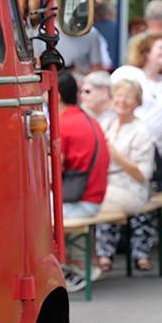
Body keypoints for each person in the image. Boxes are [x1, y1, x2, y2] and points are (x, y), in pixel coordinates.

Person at [94, 79, 159, 272]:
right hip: (107, 183)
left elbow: (142, 176)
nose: (122, 101)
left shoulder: (142, 131)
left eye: (128, 97)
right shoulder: (106, 124)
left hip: (131, 186)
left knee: (98, 199)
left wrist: (116, 155)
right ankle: (102, 253)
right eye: (119, 95)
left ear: (137, 103)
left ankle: (101, 254)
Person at [111, 32, 162, 176]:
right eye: (161, 48)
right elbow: (111, 101)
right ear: (146, 51)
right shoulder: (128, 73)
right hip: (126, 143)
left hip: (153, 149)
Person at [57, 71, 110, 220]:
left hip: (80, 203)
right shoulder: (88, 118)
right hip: (94, 199)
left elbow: (51, 170)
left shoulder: (62, 124)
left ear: (56, 96)